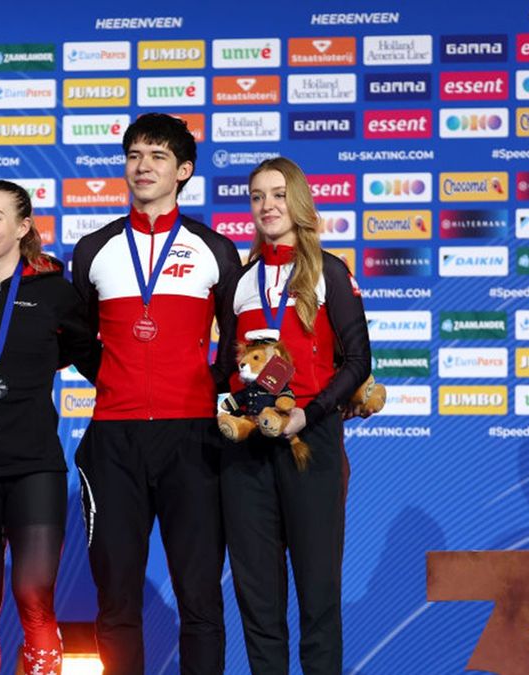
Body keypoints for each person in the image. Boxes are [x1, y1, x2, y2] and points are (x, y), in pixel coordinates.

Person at [70, 113, 241, 674]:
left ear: (183, 171)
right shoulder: (94, 248)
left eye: (158, 157)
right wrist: (119, 381)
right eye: (134, 155)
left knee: (200, 599)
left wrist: (197, 387)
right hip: (113, 439)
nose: (142, 167)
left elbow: (236, 347)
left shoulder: (214, 249)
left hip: (192, 439)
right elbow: (79, 340)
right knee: (116, 600)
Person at [0, 181, 95, 675]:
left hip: (35, 469)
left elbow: (86, 355)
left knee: (33, 597)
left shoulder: (55, 293)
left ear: (24, 227)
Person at [221, 156, 370, 674]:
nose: (267, 205)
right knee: (258, 604)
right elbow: (226, 372)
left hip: (311, 444)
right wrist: (231, 410)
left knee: (318, 598)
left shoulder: (329, 271)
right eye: (258, 196)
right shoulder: (240, 283)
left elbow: (357, 362)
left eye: (278, 194)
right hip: (247, 457)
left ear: (299, 200)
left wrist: (311, 415)